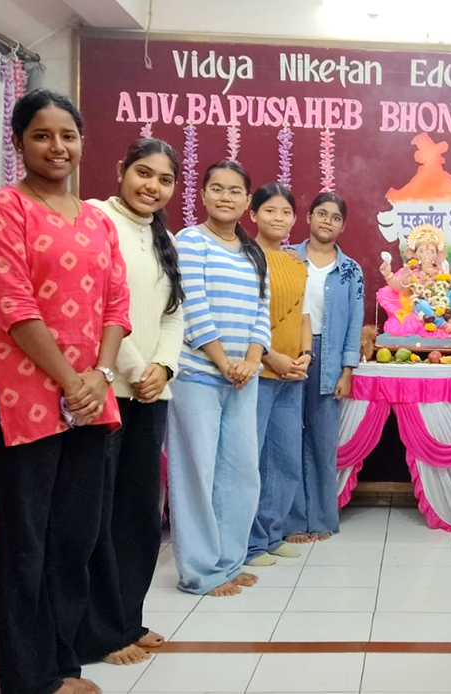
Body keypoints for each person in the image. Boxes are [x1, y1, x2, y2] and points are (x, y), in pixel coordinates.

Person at [0, 89, 131, 694]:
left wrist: (100, 376)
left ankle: (63, 662)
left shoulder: (97, 220)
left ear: (82, 141)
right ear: (19, 142)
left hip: (90, 399)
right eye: (42, 135)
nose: (57, 147)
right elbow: (14, 305)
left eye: (68, 135)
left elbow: (117, 304)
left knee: (75, 536)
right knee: (27, 543)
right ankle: (30, 677)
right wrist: (71, 380)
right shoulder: (6, 207)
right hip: (23, 401)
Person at [78, 138, 184, 666]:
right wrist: (138, 368)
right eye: (144, 173)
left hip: (151, 394)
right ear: (121, 170)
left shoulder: (164, 238)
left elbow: (174, 313)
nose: (152, 187)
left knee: (140, 514)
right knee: (99, 515)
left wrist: (163, 367)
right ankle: (98, 632)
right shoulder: (95, 219)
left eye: (164, 180)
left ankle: (127, 619)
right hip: (107, 391)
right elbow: (96, 304)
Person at [168, 160, 269, 597]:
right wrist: (223, 361)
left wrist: (250, 359)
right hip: (198, 375)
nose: (225, 197)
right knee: (197, 475)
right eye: (217, 188)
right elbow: (192, 307)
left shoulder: (253, 252)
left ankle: (228, 562)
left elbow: (261, 313)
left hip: (244, 378)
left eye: (235, 191)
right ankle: (199, 572)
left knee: (241, 474)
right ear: (203, 194)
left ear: (247, 201)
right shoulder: (190, 242)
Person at [286, 192, 364, 542]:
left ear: (343, 225)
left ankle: (320, 520)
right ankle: (290, 522)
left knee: (322, 442)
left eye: (335, 217)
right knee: (286, 439)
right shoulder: (288, 258)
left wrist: (347, 370)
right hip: (289, 355)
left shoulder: (350, 271)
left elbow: (354, 323)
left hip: (329, 358)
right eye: (321, 213)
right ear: (308, 218)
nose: (327, 221)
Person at [247, 183, 312, 567]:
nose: (278, 218)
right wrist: (272, 358)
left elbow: (304, 315)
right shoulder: (245, 257)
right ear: (253, 214)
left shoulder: (296, 262)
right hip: (258, 370)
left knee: (285, 458)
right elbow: (243, 319)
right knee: (251, 459)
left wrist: (305, 356)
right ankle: (250, 542)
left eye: (285, 212)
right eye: (269, 210)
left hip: (292, 375)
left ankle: (272, 533)